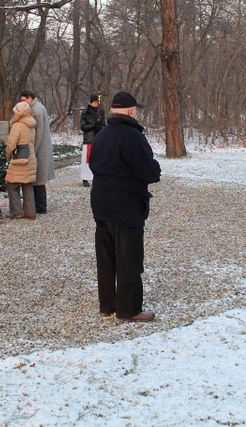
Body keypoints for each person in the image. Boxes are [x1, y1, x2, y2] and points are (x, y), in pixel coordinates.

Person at [89, 91, 161, 322]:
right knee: (129, 259)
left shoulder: (101, 135)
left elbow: (93, 165)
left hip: (101, 203)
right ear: (131, 111)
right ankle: (128, 309)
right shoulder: (134, 137)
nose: (137, 112)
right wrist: (156, 167)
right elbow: (147, 172)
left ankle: (107, 305)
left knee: (107, 258)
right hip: (126, 205)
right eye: (136, 109)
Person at [19, 90, 54, 213]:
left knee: (38, 179)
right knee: (38, 179)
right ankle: (38, 206)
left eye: (24, 100)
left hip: (39, 149)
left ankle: (40, 207)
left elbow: (37, 134)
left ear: (30, 98)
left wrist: (32, 149)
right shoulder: (38, 108)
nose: (22, 103)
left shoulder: (37, 110)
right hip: (42, 148)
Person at [5, 101, 37, 220]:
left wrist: (7, 156)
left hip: (19, 159)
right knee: (27, 185)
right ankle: (30, 212)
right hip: (30, 156)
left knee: (12, 184)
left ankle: (16, 211)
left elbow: (11, 144)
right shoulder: (31, 124)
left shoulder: (17, 125)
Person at [80, 93, 106, 187]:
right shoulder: (85, 113)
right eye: (94, 102)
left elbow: (104, 124)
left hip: (98, 138)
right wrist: (93, 125)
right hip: (89, 139)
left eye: (97, 102)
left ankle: (97, 177)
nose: (96, 104)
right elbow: (83, 126)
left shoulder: (101, 111)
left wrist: (101, 128)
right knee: (87, 160)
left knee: (98, 159)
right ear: (91, 102)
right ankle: (85, 178)